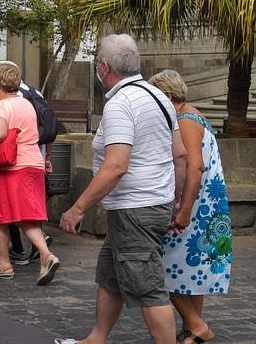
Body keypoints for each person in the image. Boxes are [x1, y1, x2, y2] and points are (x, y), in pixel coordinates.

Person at [57, 34, 187, 344]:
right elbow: (180, 155)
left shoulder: (121, 104)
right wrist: (175, 201)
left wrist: (77, 208)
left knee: (148, 287)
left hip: (135, 209)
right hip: (151, 204)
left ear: (103, 67)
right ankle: (96, 338)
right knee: (110, 275)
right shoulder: (158, 97)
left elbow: (116, 165)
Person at [145, 69, 232, 344]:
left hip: (194, 206)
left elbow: (194, 166)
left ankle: (196, 325)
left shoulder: (184, 120)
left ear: (168, 96)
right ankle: (193, 328)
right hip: (206, 204)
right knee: (191, 271)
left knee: (161, 268)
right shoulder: (195, 114)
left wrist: (182, 211)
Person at [0, 61, 60, 284]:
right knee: (25, 215)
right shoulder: (26, 104)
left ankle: (4, 263)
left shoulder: (1, 106)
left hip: (10, 167)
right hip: (33, 164)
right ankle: (46, 255)